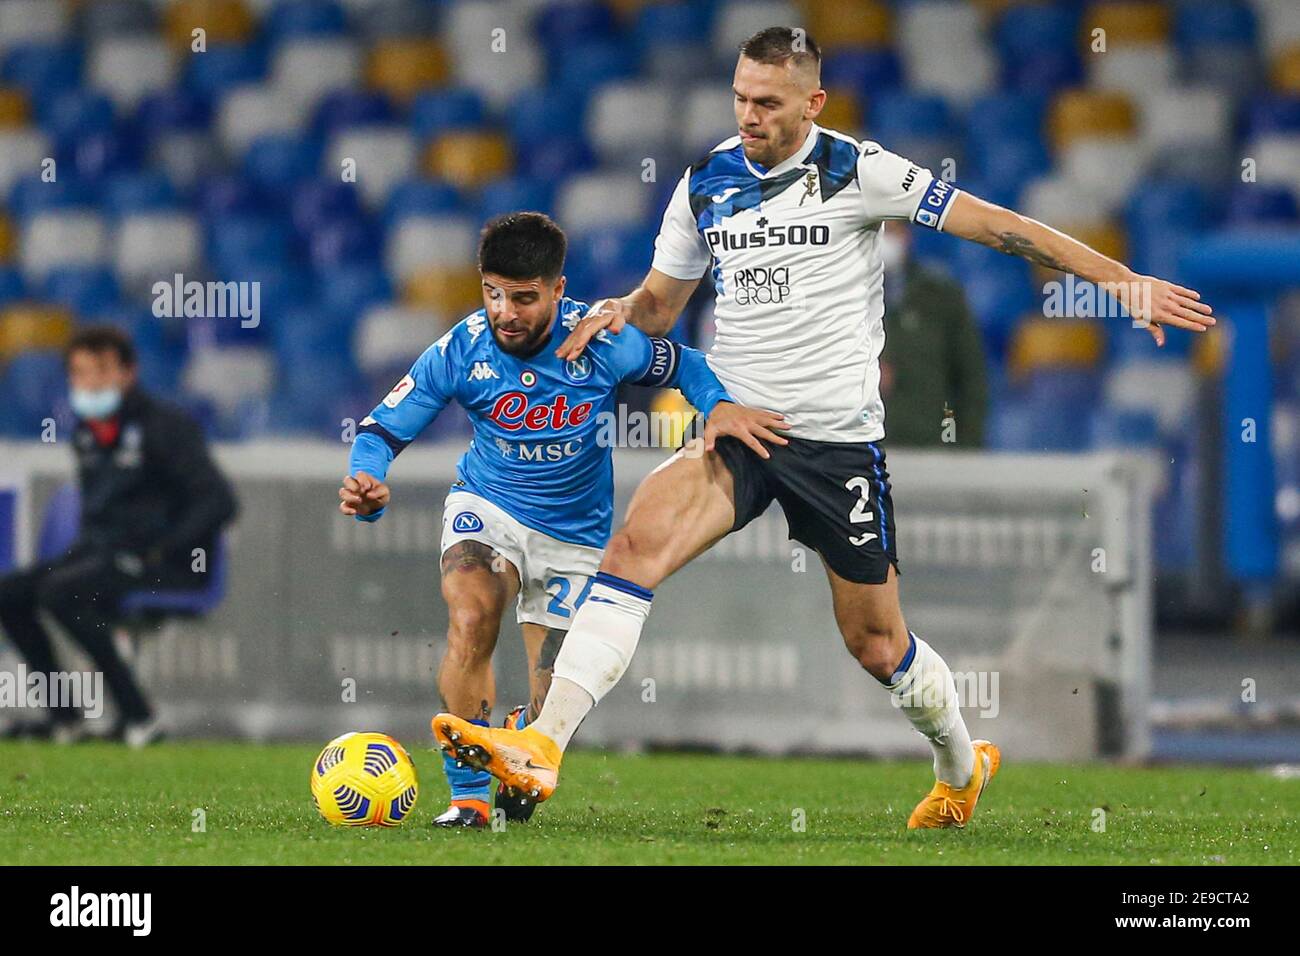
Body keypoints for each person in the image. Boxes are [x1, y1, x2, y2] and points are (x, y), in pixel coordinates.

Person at [432, 27, 1216, 829]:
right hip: (736, 430)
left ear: (813, 103)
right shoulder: (706, 181)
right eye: (740, 97)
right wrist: (621, 312)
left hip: (835, 444)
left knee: (877, 644)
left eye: (767, 103)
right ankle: (544, 744)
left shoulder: (858, 170)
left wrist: (1120, 281)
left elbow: (994, 225)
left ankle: (958, 765)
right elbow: (661, 305)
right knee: (633, 548)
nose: (748, 116)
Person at [340, 212, 785, 827]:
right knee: (470, 619)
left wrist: (718, 408)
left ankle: (525, 737)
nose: (505, 312)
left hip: (575, 536)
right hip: (488, 508)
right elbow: (383, 427)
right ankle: (466, 799)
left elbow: (683, 365)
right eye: (493, 293)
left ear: (556, 288)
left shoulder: (599, 340)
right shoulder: (461, 348)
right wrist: (368, 478)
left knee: (553, 700)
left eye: (524, 297)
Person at [0, 326, 237, 746]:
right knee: (10, 593)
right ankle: (66, 719)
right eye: (80, 374)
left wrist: (165, 547)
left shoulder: (167, 426)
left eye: (101, 372)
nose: (90, 384)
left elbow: (218, 502)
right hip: (101, 557)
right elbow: (100, 518)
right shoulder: (87, 432)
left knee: (60, 592)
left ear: (128, 373)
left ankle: (140, 717)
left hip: (166, 564)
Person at [878, 223, 988, 447]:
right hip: (861, 448)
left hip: (928, 443)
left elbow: (971, 378)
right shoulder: (837, 295)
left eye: (890, 231)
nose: (883, 240)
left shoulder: (941, 294)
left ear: (906, 235)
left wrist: (965, 448)